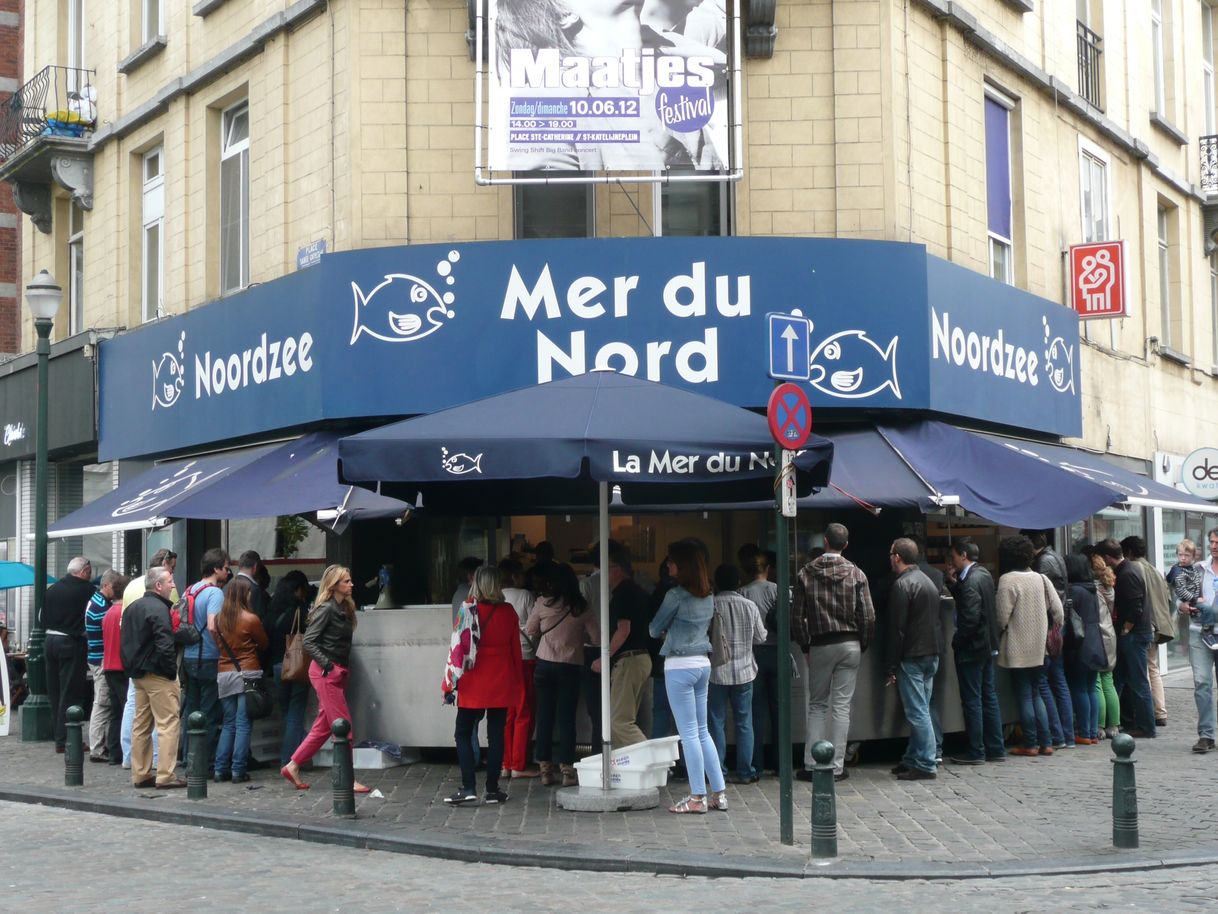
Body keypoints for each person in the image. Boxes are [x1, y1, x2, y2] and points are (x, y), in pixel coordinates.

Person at [793, 522, 875, 782]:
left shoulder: (806, 573)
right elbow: (868, 615)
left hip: (820, 644)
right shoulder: (857, 573)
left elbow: (797, 617)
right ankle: (837, 766)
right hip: (850, 643)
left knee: (817, 705)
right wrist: (862, 643)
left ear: (825, 541)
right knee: (842, 706)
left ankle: (811, 763)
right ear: (846, 545)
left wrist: (806, 645)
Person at [649, 540, 727, 814]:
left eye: (671, 561)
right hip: (702, 663)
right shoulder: (709, 595)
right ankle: (719, 792)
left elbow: (653, 628)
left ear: (681, 567)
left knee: (688, 734)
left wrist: (666, 630)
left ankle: (697, 796)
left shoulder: (675, 596)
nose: (668, 565)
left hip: (679, 666)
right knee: (703, 731)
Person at [280, 565, 369, 793]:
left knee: (323, 727)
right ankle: (347, 779)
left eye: (350, 580)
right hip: (325, 672)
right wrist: (330, 666)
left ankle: (292, 765)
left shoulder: (344, 607)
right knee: (343, 726)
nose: (351, 584)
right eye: (346, 581)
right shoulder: (327, 609)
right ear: (334, 585)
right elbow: (309, 641)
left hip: (335, 671)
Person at [443, 567, 524, 806]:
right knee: (497, 735)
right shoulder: (508, 612)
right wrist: (518, 683)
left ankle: (468, 786)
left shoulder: (468, 609)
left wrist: (448, 682)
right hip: (501, 678)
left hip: (473, 678)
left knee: (463, 732)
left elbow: (456, 649)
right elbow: (516, 652)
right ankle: (492, 789)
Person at [526, 563, 599, 788]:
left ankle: (546, 770)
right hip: (570, 666)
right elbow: (596, 639)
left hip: (544, 665)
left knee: (545, 716)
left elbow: (530, 630)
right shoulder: (581, 606)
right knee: (567, 719)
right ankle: (567, 770)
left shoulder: (542, 603)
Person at [996, 534, 1062, 757]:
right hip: (1041, 647)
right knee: (1036, 694)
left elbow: (1001, 618)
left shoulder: (1007, 580)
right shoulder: (1042, 579)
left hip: (1017, 647)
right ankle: (1047, 742)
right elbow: (1059, 612)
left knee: (1024, 695)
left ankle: (1031, 743)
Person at [120, 567, 185, 789]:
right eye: (170, 581)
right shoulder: (159, 609)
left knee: (141, 724)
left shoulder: (132, 608)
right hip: (157, 673)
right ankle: (166, 774)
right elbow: (165, 644)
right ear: (158, 586)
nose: (173, 585)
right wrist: (170, 672)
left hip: (138, 674)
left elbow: (126, 641)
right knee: (168, 724)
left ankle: (140, 773)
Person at [885, 538, 943, 780]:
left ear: (897, 556)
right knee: (923, 709)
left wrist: (890, 665)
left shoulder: (902, 585)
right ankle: (913, 758)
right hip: (931, 653)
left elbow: (897, 629)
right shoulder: (928, 580)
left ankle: (926, 762)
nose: (889, 557)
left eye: (891, 553)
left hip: (912, 655)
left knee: (917, 711)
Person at [945, 540, 1005, 765]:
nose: (952, 561)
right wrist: (953, 582)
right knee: (988, 697)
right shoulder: (984, 575)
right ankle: (996, 747)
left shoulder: (971, 580)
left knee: (972, 700)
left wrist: (957, 641)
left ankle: (976, 750)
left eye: (954, 557)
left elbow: (970, 617)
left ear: (963, 555)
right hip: (987, 646)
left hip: (972, 649)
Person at [590, 541, 653, 749]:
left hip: (629, 661)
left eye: (604, 570)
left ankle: (655, 761)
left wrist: (604, 657)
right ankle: (623, 769)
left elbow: (623, 629)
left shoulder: (623, 594)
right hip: (641, 659)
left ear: (616, 570)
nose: (602, 575)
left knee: (619, 722)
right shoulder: (639, 592)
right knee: (620, 721)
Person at [707, 563, 766, 784]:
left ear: (716, 583)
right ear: (738, 582)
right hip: (744, 672)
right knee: (744, 722)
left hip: (716, 673)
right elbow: (760, 637)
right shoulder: (750, 606)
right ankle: (745, 771)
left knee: (716, 722)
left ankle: (718, 772)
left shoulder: (711, 605)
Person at [210, 576, 268, 783]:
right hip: (248, 672)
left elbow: (217, 643)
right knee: (243, 724)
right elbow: (264, 643)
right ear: (244, 594)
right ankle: (238, 770)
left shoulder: (217, 619)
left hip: (224, 673)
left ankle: (219, 769)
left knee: (229, 723)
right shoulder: (250, 618)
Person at [1095, 538, 1156, 738]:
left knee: (1138, 682)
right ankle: (1122, 720)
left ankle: (1147, 726)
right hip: (1134, 633)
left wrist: (1126, 630)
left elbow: (1136, 608)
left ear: (1107, 557)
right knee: (1120, 679)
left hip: (1135, 634)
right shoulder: (1128, 569)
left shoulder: (1127, 573)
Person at [180, 549, 231, 771]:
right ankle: (203, 763)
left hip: (189, 657)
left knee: (191, 712)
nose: (228, 572)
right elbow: (213, 624)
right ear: (216, 569)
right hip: (209, 658)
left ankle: (187, 758)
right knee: (209, 713)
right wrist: (223, 647)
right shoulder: (215, 593)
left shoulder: (189, 590)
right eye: (226, 568)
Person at [1025, 530, 1074, 750]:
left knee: (1044, 682)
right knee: (1059, 679)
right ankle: (1067, 735)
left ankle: (1057, 735)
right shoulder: (1056, 556)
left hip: (1049, 627)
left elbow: (1045, 597)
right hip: (1058, 625)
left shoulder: (1043, 562)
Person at [43, 555, 95, 753]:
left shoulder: (52, 589)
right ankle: (66, 739)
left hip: (50, 642)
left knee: (55, 691)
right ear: (83, 572)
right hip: (71, 643)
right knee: (70, 691)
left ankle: (59, 736)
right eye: (89, 573)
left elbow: (42, 616)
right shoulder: (88, 590)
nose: (90, 577)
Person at [1121, 535, 1173, 729]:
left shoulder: (1134, 569)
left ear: (1129, 553)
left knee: (1144, 670)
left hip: (1145, 625)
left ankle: (1150, 713)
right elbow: (1167, 599)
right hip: (1158, 625)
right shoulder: (1154, 569)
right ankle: (1160, 712)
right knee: (1152, 668)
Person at [738, 546, 778, 776]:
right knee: (779, 709)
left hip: (753, 653)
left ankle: (757, 764)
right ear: (768, 569)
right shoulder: (777, 589)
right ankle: (780, 762)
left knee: (756, 712)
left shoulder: (742, 592)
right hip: (776, 650)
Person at [498, 557, 538, 780]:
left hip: (504, 661)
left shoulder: (496, 597)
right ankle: (518, 764)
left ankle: (504, 763)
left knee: (506, 714)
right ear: (515, 575)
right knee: (524, 712)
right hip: (525, 657)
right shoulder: (525, 596)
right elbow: (534, 628)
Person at [268, 570, 311, 767]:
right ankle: (291, 759)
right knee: (296, 712)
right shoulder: (300, 611)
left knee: (287, 712)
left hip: (277, 666)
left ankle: (300, 753)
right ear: (299, 589)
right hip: (296, 664)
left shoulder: (272, 608)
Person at [1064, 554, 1107, 745]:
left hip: (1080, 642)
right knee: (1091, 688)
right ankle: (1091, 731)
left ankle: (1083, 730)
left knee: (1080, 688)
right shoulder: (1092, 590)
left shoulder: (1074, 591)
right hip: (1095, 641)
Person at [1183, 529, 1218, 752]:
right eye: (1212, 541)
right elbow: (1182, 596)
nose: (1214, 546)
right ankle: (1206, 735)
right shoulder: (1198, 569)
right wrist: (1183, 605)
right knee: (1202, 682)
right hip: (1200, 632)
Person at [85, 570, 123, 762]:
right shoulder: (102, 607)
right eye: (114, 587)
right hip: (101, 659)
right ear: (106, 586)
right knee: (102, 703)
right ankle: (97, 748)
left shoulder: (96, 601)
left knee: (103, 702)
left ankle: (100, 745)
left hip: (96, 657)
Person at [647, 555, 678, 741]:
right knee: (685, 718)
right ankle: (684, 764)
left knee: (660, 712)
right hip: (688, 660)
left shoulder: (658, 592)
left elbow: (653, 629)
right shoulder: (685, 592)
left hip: (660, 658)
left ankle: (659, 764)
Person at [1090, 550, 1121, 740]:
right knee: (1108, 680)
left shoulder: (1093, 590)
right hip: (1110, 635)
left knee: (1097, 682)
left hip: (1098, 636)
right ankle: (1114, 725)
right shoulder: (1109, 588)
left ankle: (1100, 725)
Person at [100, 589, 128, 766]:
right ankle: (123, 751)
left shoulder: (108, 612)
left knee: (115, 712)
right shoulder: (122, 613)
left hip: (109, 665)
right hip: (120, 666)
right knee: (126, 710)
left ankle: (114, 752)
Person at [227, 551, 270, 658]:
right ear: (255, 566)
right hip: (249, 653)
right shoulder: (255, 590)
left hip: (228, 651)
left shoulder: (227, 586)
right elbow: (261, 623)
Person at [450, 556, 483, 623]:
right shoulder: (469, 594)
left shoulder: (460, 592)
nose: (483, 578)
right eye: (481, 574)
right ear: (471, 576)